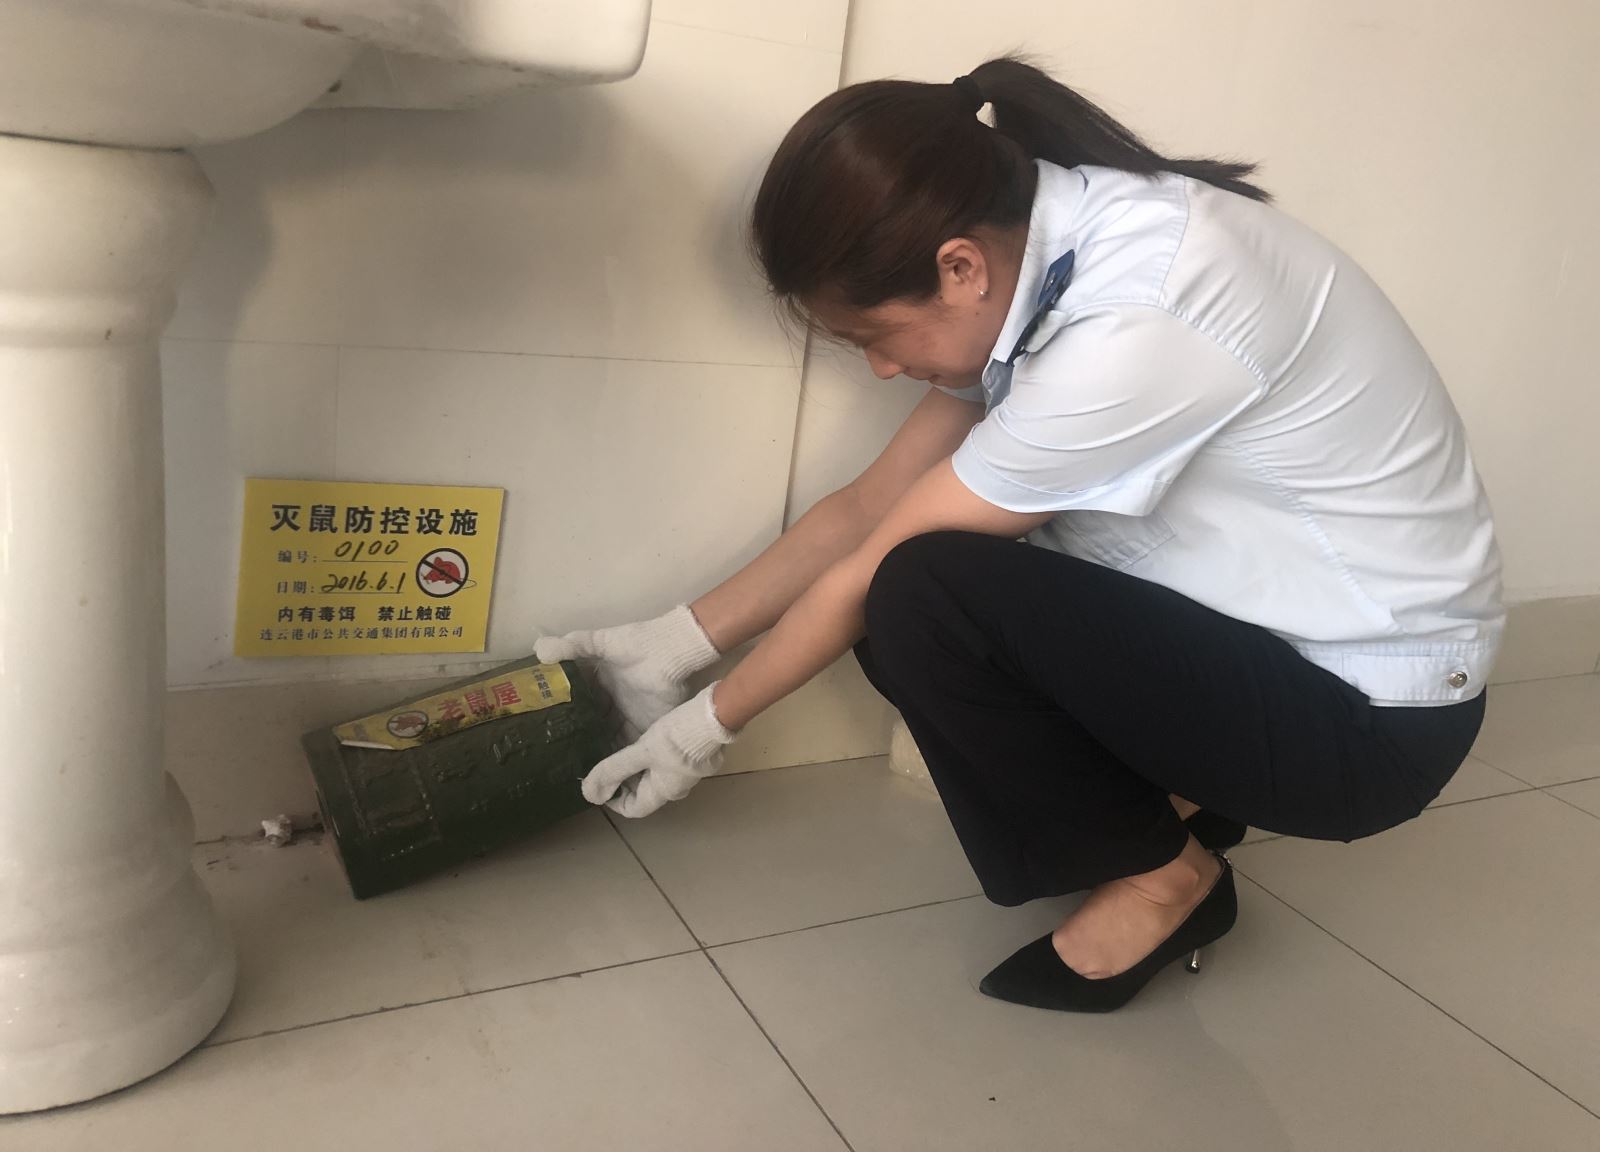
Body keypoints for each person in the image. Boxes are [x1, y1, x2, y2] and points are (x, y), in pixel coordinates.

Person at [534, 57, 1502, 1014]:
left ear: (958, 267)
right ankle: (1170, 806)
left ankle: (1166, 881)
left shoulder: (1137, 319)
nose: (879, 371)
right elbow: (868, 506)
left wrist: (701, 731)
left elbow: (878, 565)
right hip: (1277, 645)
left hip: (1369, 725)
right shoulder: (1043, 260)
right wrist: (668, 648)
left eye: (873, 337)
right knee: (913, 586)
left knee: (921, 597)